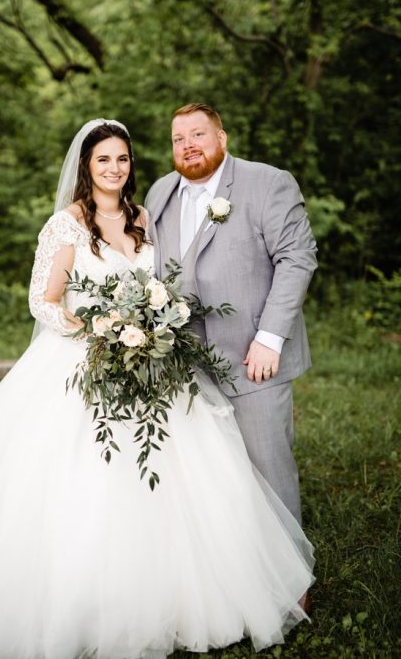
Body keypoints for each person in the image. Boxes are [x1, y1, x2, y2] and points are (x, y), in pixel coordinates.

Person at [0, 119, 314, 659]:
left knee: (177, 472)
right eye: (103, 160)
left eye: (123, 159)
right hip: (82, 360)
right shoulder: (64, 226)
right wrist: (99, 329)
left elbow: (168, 280)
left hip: (150, 360)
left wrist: (148, 325)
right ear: (85, 168)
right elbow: (42, 302)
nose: (115, 169)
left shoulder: (146, 216)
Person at [144, 103, 317, 527]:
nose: (188, 146)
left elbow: (297, 258)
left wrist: (270, 338)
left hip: (252, 359)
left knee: (267, 468)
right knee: (203, 475)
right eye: (178, 139)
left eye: (198, 135)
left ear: (221, 138)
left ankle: (293, 582)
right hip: (183, 364)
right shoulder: (160, 192)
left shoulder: (266, 183)